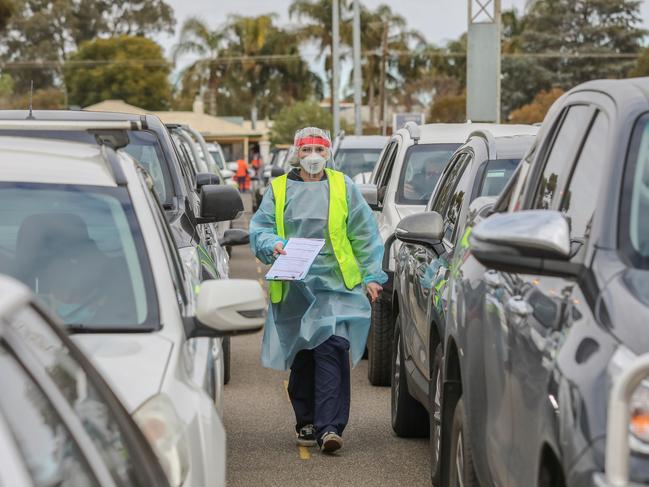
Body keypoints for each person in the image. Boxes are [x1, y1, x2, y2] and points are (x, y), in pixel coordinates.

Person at [249, 127, 387, 454]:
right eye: (307, 149)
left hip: (338, 284)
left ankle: (329, 428)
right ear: (296, 153)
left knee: (332, 348)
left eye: (320, 150)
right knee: (305, 353)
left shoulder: (343, 186)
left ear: (329, 154)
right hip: (296, 283)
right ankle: (306, 420)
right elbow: (260, 229)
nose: (313, 156)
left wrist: (371, 276)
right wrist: (274, 245)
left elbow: (364, 233)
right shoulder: (279, 189)